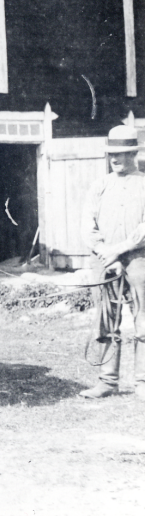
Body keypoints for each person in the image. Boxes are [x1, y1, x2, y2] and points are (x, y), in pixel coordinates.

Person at [81, 124, 145, 400]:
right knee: (105, 320)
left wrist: (120, 251)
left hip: (140, 262)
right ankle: (107, 381)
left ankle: (143, 382)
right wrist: (105, 253)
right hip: (105, 263)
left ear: (135, 153)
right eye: (111, 154)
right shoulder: (100, 185)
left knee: (143, 319)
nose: (115, 159)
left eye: (122, 153)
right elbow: (87, 226)